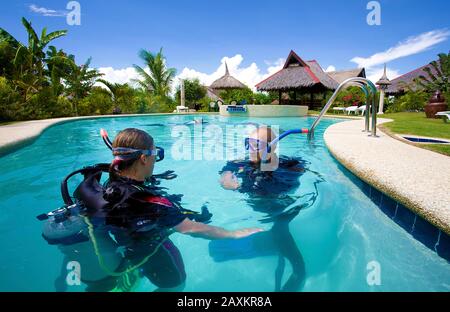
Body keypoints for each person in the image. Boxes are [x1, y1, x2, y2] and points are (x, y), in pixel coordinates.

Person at [94, 128, 262, 291]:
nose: (156, 160)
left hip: (126, 244)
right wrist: (232, 234)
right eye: (156, 154)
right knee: (176, 285)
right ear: (144, 158)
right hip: (152, 250)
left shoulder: (112, 183)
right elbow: (191, 229)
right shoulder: (150, 202)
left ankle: (135, 272)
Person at [215, 126, 318, 291]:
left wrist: (266, 177)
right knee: (277, 229)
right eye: (247, 143)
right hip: (258, 203)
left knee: (280, 226)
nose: (249, 148)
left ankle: (299, 270)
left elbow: (293, 177)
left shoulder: (288, 165)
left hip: (281, 205)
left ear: (272, 147)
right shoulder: (244, 162)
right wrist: (226, 179)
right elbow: (228, 169)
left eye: (256, 144)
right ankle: (276, 247)